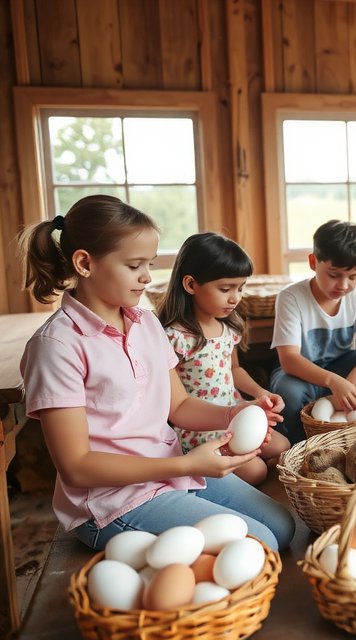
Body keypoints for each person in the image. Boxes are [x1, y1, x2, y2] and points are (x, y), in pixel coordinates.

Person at [18, 195, 295, 551]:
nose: (147, 277)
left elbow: (179, 407)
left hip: (171, 469)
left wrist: (235, 413)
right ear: (84, 263)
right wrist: (185, 465)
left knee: (283, 528)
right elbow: (76, 467)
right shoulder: (57, 345)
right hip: (113, 501)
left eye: (149, 264)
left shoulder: (146, 323)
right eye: (134, 265)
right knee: (261, 543)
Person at [157, 232, 290, 486]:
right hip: (201, 427)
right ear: (191, 285)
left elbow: (235, 369)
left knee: (283, 447)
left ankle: (250, 460)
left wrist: (260, 392)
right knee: (257, 472)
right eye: (225, 289)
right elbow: (172, 402)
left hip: (235, 411)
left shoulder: (228, 327)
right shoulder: (175, 337)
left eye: (240, 288)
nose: (235, 298)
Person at [268, 219, 356, 444]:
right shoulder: (291, 297)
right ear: (313, 262)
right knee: (288, 393)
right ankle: (301, 447)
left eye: (353, 276)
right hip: (302, 373)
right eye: (334, 275)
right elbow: (289, 360)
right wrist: (333, 381)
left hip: (342, 364)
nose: (343, 285)